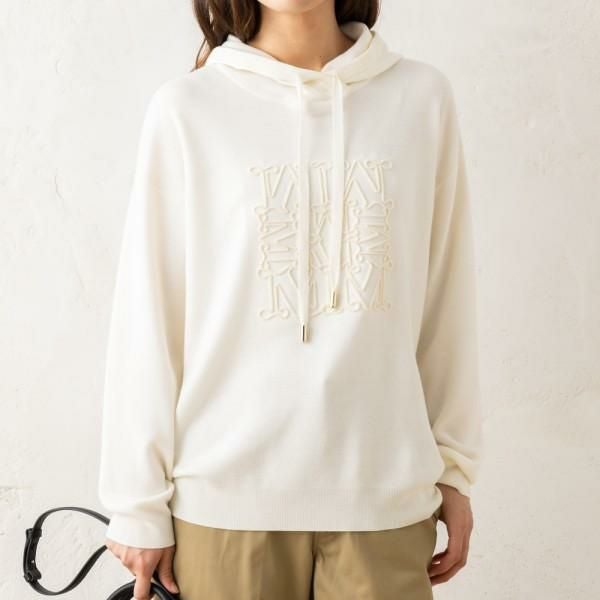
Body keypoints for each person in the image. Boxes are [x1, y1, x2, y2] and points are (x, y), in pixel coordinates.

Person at [98, 1, 484, 599]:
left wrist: (454, 468)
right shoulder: (187, 109)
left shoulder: (420, 99)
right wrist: (135, 503)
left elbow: (445, 298)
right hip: (223, 505)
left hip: (384, 498)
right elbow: (150, 312)